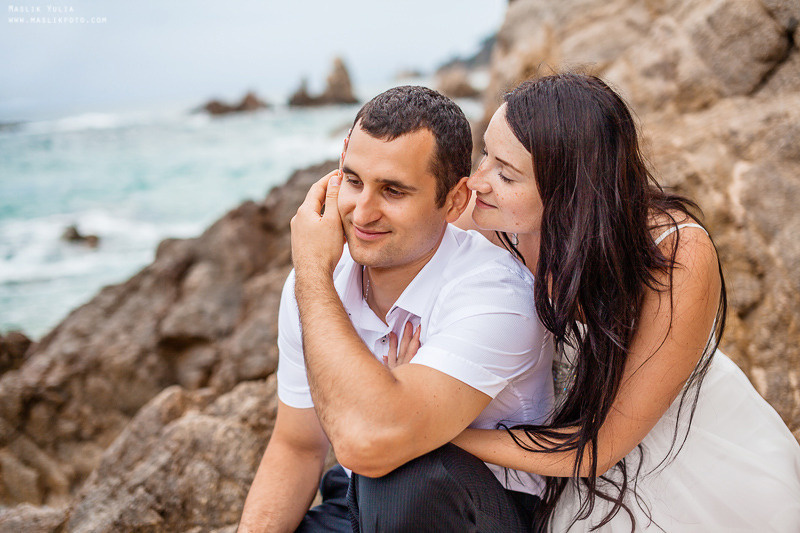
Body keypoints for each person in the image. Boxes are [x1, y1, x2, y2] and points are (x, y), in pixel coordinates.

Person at [388, 73, 800, 531]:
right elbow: (384, 230)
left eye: (506, 173)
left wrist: (438, 428)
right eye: (486, 152)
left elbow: (601, 446)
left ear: (570, 192)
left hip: (668, 455)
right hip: (554, 448)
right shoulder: (488, 215)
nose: (478, 181)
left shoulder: (675, 251)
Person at [237, 85, 555, 533]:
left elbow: (371, 443)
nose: (362, 212)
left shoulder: (498, 295)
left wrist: (312, 273)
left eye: (393, 191)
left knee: (407, 468)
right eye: (353, 181)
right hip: (357, 504)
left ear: (454, 201)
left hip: (476, 510)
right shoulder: (319, 284)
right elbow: (298, 446)